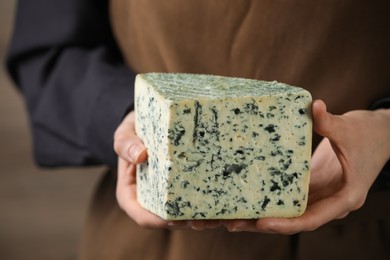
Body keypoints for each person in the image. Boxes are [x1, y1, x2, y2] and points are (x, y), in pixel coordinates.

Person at [6, 0, 390, 259]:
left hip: (361, 235)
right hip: (148, 240)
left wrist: (385, 130)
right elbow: (51, 50)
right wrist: (130, 120)